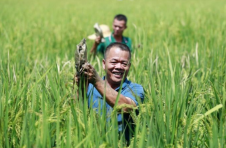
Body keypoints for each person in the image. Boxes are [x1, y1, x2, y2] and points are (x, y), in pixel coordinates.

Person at [76, 42, 144, 144]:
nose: (119, 67)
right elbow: (76, 110)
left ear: (129, 66)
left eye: (124, 63)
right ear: (104, 64)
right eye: (114, 62)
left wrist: (97, 81)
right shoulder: (89, 87)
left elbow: (126, 106)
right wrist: (80, 87)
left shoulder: (136, 89)